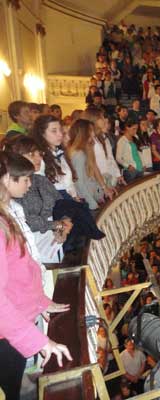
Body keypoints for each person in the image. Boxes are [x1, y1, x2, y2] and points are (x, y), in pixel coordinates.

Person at [0, 150, 72, 399]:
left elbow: (21, 271)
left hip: (15, 324)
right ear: (7, 179)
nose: (30, 184)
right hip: (5, 335)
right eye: (25, 179)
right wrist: (39, 342)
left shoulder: (7, 211)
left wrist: (40, 302)